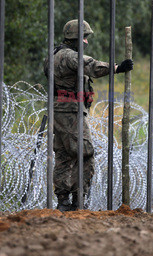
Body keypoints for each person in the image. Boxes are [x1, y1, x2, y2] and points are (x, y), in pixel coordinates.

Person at [44, 19, 134, 211]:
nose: (86, 42)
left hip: (59, 109)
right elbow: (91, 66)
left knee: (63, 155)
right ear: (75, 38)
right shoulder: (70, 56)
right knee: (85, 153)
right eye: (84, 37)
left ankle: (63, 201)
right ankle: (78, 199)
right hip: (70, 111)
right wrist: (117, 68)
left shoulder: (54, 54)